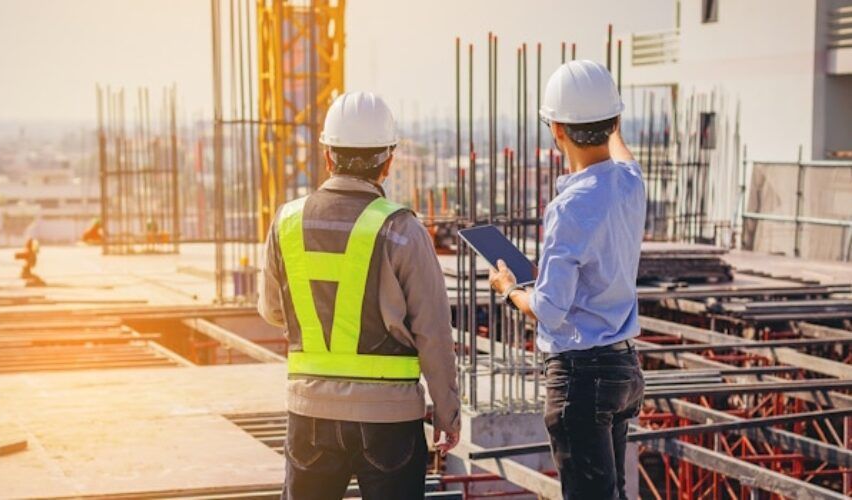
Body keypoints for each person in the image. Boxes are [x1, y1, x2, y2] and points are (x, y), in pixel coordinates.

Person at [258, 91, 460, 500]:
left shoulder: (287, 221)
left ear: (328, 156)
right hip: (390, 421)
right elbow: (433, 332)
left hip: (310, 412)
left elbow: (273, 310)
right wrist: (447, 411)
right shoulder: (402, 230)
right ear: (388, 162)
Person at [489, 60, 646, 500]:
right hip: (622, 369)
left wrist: (511, 290)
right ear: (616, 121)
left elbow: (551, 312)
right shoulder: (631, 184)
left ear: (556, 130)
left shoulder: (569, 206)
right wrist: (610, 119)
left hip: (582, 377)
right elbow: (623, 155)